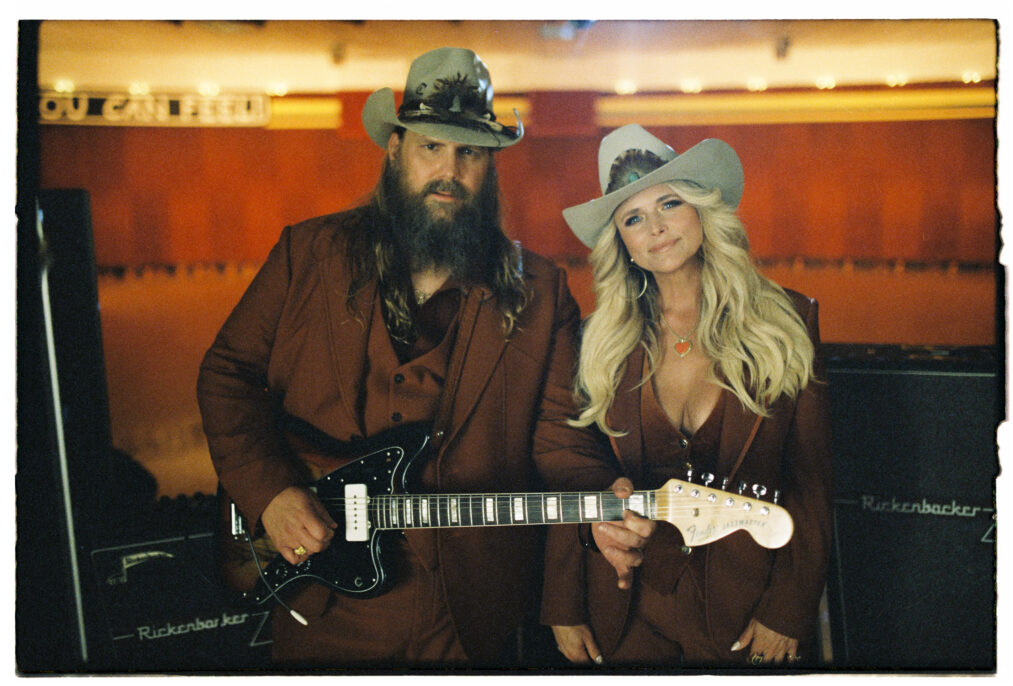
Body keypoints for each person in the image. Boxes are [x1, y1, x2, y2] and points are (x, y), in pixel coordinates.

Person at [196, 47, 605, 667]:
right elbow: (228, 376)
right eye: (430, 148)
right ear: (394, 151)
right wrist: (272, 493)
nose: (449, 170)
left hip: (467, 610)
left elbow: (560, 445)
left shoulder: (540, 291)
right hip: (320, 591)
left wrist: (607, 504)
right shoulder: (308, 254)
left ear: (489, 166)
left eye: (469, 151)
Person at [538, 124, 833, 667]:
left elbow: (810, 477)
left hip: (750, 610)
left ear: (700, 209)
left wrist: (789, 610)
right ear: (621, 242)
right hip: (625, 608)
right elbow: (573, 471)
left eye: (669, 203)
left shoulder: (787, 319)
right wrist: (565, 604)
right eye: (633, 218)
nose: (655, 228)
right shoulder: (594, 343)